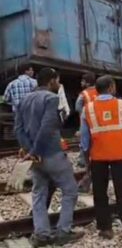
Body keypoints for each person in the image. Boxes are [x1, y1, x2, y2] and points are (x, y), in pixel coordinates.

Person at [14, 68, 82, 247]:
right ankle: (63, 231)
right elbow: (47, 127)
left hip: (35, 158)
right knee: (70, 190)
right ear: (52, 81)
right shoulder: (51, 99)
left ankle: (42, 234)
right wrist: (36, 150)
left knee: (39, 192)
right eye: (57, 80)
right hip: (51, 153)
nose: (59, 83)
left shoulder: (24, 100)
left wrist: (29, 151)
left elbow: (18, 129)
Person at [80, 75, 122, 239]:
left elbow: (84, 140)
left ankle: (105, 229)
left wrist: (86, 159)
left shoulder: (88, 109)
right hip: (121, 154)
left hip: (98, 157)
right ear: (112, 87)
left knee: (100, 193)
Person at [75, 73, 98, 170]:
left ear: (87, 83)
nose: (81, 83)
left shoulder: (83, 94)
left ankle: (82, 161)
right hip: (98, 120)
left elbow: (77, 107)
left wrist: (83, 114)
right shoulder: (99, 91)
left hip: (87, 119)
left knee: (84, 140)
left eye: (82, 81)